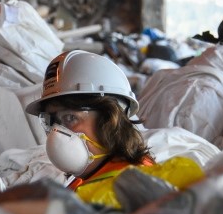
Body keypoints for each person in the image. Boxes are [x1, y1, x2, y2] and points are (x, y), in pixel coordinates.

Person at [25, 50, 155, 192]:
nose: (57, 133)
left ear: (112, 119)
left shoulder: (133, 188)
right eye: (51, 121)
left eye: (70, 118)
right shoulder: (93, 181)